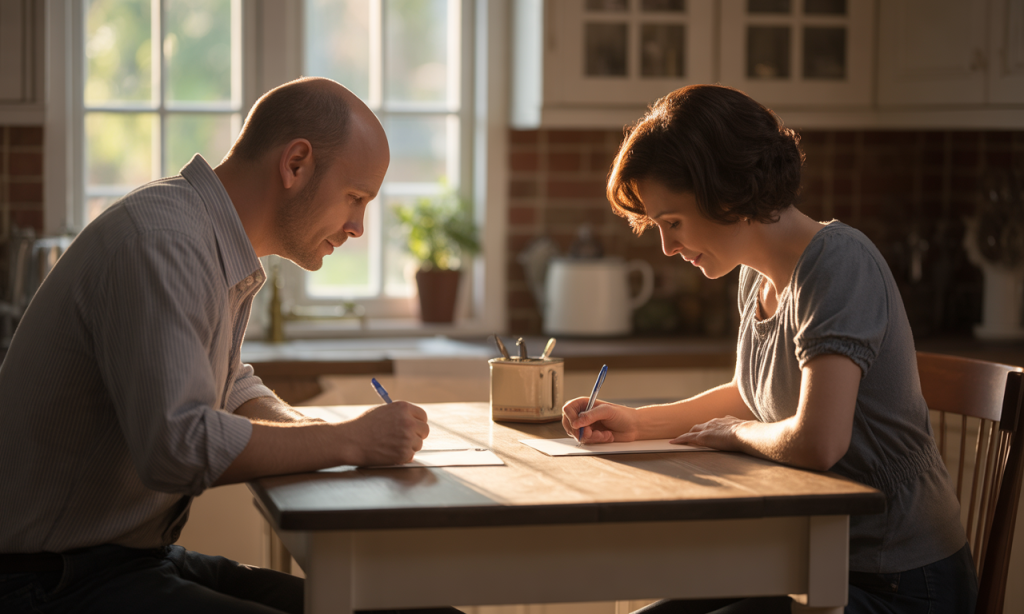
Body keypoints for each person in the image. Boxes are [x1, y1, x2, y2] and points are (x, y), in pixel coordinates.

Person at [0, 77, 458, 614]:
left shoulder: (205, 236)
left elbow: (231, 382)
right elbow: (178, 445)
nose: (358, 226)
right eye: (355, 197)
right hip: (44, 581)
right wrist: (350, 441)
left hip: (124, 561)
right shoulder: (164, 242)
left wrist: (310, 431)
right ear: (295, 165)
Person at [562, 85, 977, 614]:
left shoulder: (838, 264)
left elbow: (818, 440)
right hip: (810, 560)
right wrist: (638, 423)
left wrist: (735, 435)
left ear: (727, 194)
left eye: (673, 223)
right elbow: (748, 396)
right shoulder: (755, 277)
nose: (666, 247)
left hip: (900, 582)